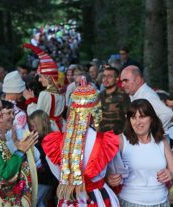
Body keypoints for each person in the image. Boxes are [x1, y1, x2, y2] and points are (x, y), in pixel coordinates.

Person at [42, 77, 120, 206]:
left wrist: (68, 181)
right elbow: (117, 170)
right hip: (98, 197)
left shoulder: (58, 141)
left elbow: (55, 168)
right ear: (95, 110)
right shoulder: (105, 140)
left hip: (70, 198)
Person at [107, 99, 173, 207]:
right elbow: (104, 171)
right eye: (133, 117)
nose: (137, 122)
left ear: (152, 119)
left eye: (142, 116)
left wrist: (170, 174)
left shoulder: (161, 141)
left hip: (162, 202)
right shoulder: (121, 140)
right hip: (130, 202)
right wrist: (110, 178)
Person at [23, 43, 66, 132]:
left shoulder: (45, 94)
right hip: (61, 128)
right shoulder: (61, 93)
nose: (39, 80)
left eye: (41, 77)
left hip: (49, 130)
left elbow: (37, 117)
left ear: (49, 78)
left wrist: (30, 101)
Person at [120, 65, 173, 129]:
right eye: (122, 81)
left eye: (126, 80)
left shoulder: (147, 95)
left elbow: (167, 114)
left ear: (138, 80)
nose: (122, 85)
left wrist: (149, 132)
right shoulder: (137, 94)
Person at [29, 110, 58, 207]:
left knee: (37, 202)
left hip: (44, 179)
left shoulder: (43, 142)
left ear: (39, 125)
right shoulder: (52, 136)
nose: (31, 129)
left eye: (33, 126)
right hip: (50, 179)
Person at [99, 66, 130, 135]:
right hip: (102, 136)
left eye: (109, 77)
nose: (105, 79)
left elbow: (129, 117)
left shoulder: (123, 95)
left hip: (118, 137)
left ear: (117, 79)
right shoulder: (100, 95)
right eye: (104, 76)